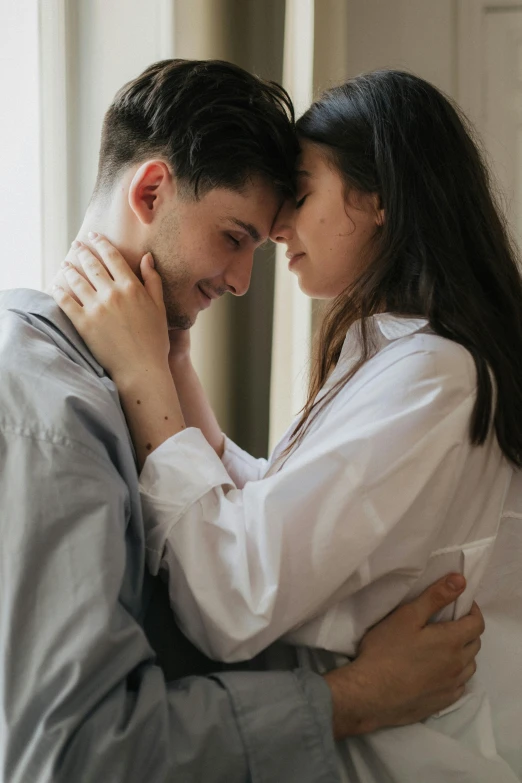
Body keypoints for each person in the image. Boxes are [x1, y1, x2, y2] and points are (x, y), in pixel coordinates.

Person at [0, 60, 483, 783]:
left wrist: (162, 369)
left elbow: (256, 528)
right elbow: (76, 751)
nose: (243, 278)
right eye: (234, 236)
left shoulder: (421, 367)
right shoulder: (52, 407)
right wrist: (351, 698)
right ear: (152, 190)